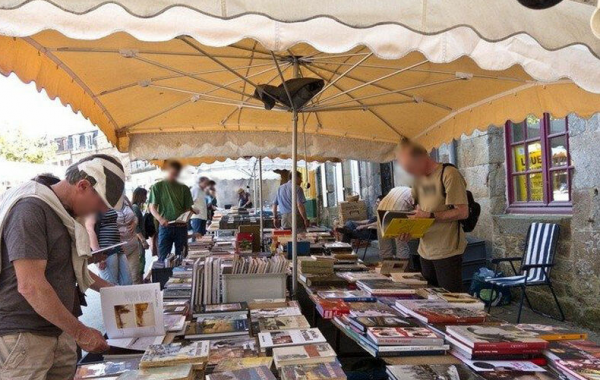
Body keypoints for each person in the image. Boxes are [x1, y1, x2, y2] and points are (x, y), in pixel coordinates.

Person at [0, 154, 124, 379]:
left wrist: (115, 291)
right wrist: (81, 333)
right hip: (24, 336)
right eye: (100, 204)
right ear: (83, 185)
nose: (101, 212)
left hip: (59, 328)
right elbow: (31, 285)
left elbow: (72, 268)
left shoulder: (63, 212)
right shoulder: (30, 209)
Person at [396, 138, 469, 292]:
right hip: (424, 251)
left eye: (410, 167)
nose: (408, 172)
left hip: (447, 251)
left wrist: (430, 216)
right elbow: (419, 214)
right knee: (432, 302)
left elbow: (463, 212)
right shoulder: (418, 181)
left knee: (453, 302)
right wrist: (409, 231)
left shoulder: (448, 174)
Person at [148, 160, 194, 260]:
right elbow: (152, 208)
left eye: (176, 174)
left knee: (182, 257)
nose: (174, 176)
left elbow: (188, 209)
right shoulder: (157, 187)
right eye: (172, 173)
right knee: (163, 257)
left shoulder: (184, 188)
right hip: (165, 227)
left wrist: (186, 217)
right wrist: (160, 219)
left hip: (181, 227)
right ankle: (165, 275)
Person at [86, 209, 132, 286]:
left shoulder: (107, 202)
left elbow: (114, 225)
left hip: (117, 247)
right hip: (105, 250)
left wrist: (121, 243)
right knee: (111, 285)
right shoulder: (94, 204)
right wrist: (98, 255)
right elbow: (89, 228)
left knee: (127, 282)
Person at [377, 186, 415, 259]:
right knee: (401, 242)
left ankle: (387, 269)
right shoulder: (415, 192)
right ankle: (402, 269)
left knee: (384, 245)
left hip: (381, 209)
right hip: (398, 208)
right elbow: (417, 211)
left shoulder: (399, 188)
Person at [117, 198, 143, 284]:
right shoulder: (104, 202)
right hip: (118, 249)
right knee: (122, 280)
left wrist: (135, 223)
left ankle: (135, 297)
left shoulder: (125, 199)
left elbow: (135, 216)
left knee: (135, 276)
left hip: (132, 245)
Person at [131, 187, 150, 283]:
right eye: (145, 195)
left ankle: (140, 283)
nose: (146, 198)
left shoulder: (136, 208)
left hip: (138, 241)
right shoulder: (135, 208)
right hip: (138, 241)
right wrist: (143, 240)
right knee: (140, 263)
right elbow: (135, 226)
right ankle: (139, 284)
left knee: (141, 262)